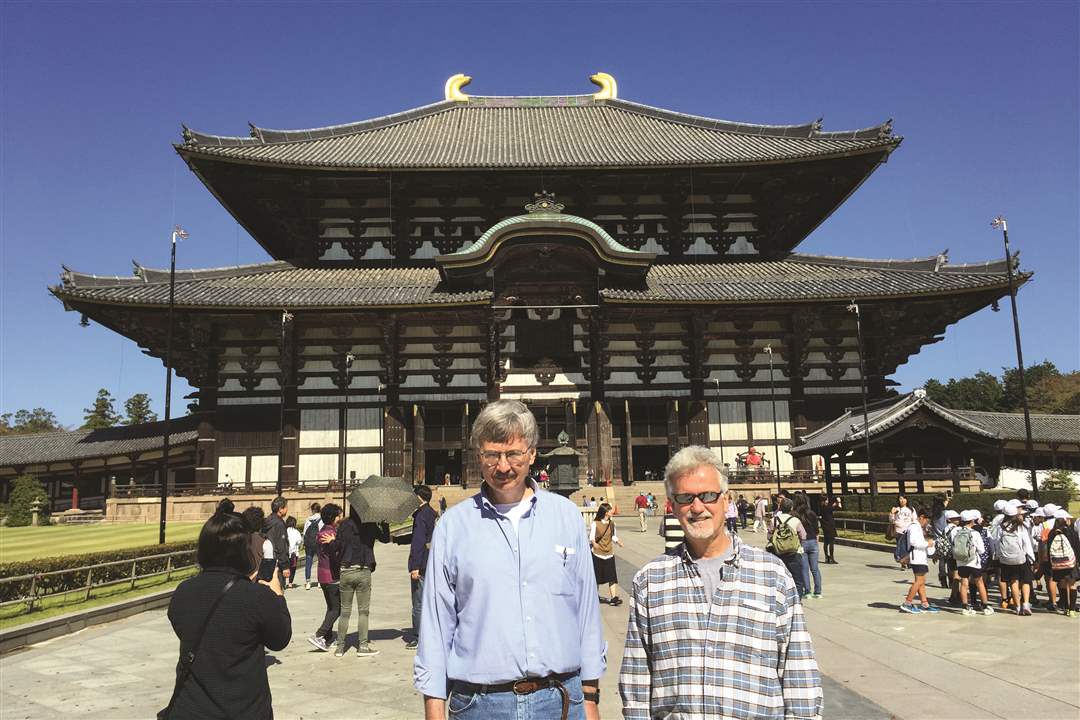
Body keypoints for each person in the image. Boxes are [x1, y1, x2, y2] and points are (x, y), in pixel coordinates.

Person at [414, 399, 605, 720]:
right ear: (478, 456)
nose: (503, 467)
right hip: (480, 704)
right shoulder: (453, 525)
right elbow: (435, 624)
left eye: (513, 453)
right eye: (492, 455)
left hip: (559, 699)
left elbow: (586, 612)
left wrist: (590, 697)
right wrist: (434, 709)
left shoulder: (567, 517)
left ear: (531, 453)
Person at [619, 445, 822, 719]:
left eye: (708, 496)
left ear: (726, 501)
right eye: (685, 498)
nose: (697, 507)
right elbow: (636, 680)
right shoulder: (650, 580)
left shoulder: (771, 575)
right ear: (673, 505)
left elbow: (799, 673)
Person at [164, 506, 291, 719]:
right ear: (245, 551)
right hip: (242, 709)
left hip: (190, 707)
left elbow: (183, 627)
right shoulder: (257, 596)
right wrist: (277, 595)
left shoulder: (183, 591)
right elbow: (280, 639)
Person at [322, 505, 391, 657]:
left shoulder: (344, 525)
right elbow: (386, 539)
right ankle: (363, 647)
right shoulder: (371, 525)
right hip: (363, 570)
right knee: (363, 612)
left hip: (346, 571)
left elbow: (337, 546)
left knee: (345, 611)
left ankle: (340, 648)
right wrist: (384, 523)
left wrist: (332, 541)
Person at [308, 503, 343, 651]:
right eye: (339, 515)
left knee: (331, 607)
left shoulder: (324, 530)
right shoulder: (330, 534)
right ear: (333, 517)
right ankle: (319, 635)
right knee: (336, 609)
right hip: (331, 575)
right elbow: (335, 554)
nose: (340, 518)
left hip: (323, 574)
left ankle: (327, 638)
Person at [407, 484, 437, 650]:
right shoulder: (431, 513)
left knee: (418, 602)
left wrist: (415, 566)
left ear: (419, 497)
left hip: (421, 563)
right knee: (429, 600)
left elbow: (418, 542)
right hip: (431, 560)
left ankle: (418, 636)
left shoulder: (420, 516)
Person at [899, 506, 940, 614]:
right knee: (919, 581)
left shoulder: (917, 527)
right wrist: (928, 543)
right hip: (917, 557)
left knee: (921, 581)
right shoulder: (914, 527)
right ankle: (907, 603)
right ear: (922, 517)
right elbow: (914, 542)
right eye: (927, 520)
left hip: (920, 557)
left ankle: (924, 603)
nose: (927, 522)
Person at [997, 504, 1035, 615]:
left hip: (1006, 559)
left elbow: (997, 543)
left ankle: (1018, 606)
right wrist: (1032, 558)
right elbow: (1026, 543)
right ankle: (1026, 604)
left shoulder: (1001, 527)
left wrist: (999, 556)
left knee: (1013, 581)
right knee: (1025, 581)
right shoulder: (1021, 526)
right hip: (1021, 558)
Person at [954, 510, 990, 616]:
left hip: (960, 562)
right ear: (971, 521)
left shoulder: (956, 532)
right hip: (973, 561)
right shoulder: (975, 533)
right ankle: (985, 607)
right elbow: (982, 550)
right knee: (979, 582)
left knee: (964, 583)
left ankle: (965, 607)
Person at [770, 497, 807, 598]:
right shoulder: (795, 520)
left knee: (780, 578)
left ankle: (781, 598)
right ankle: (797, 600)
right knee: (797, 579)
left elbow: (769, 536)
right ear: (791, 508)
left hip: (778, 554)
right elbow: (803, 536)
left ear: (780, 508)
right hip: (793, 553)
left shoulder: (774, 520)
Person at [590, 503, 626, 606]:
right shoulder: (595, 523)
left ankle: (614, 598)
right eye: (610, 510)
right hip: (597, 554)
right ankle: (594, 596)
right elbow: (592, 537)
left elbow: (613, 536)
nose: (612, 511)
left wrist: (618, 542)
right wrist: (594, 543)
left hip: (609, 553)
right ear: (606, 512)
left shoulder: (612, 523)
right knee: (596, 577)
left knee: (612, 577)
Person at [1047, 509, 1078, 616]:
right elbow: (1076, 546)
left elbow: (1049, 549)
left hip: (1057, 562)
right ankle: (1072, 609)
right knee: (1072, 584)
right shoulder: (1070, 531)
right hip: (1070, 562)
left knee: (1062, 583)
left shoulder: (1052, 532)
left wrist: (1051, 563)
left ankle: (1065, 607)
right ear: (1065, 520)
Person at [793, 493, 822, 599]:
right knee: (815, 568)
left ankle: (808, 591)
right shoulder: (812, 513)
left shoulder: (795, 515)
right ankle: (818, 591)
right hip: (813, 541)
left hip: (802, 542)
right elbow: (817, 529)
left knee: (804, 568)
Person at [265, 496, 291, 586]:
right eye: (286, 507)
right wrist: (285, 566)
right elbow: (281, 546)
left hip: (267, 561)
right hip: (277, 564)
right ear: (280, 509)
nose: (287, 509)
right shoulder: (279, 524)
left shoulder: (268, 520)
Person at [889, 494, 916, 570]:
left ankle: (905, 561)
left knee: (908, 547)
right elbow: (891, 520)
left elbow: (914, 519)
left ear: (907, 499)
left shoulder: (911, 509)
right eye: (900, 499)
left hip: (909, 530)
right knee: (901, 546)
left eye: (904, 498)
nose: (902, 500)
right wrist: (892, 513)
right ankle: (903, 562)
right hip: (899, 531)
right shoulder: (896, 509)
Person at [302, 502, 322, 590]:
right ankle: (319, 582)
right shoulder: (322, 519)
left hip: (309, 544)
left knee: (308, 562)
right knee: (320, 562)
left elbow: (304, 533)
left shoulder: (308, 519)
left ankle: (308, 582)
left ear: (313, 510)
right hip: (318, 543)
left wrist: (304, 543)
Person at [819, 496, 838, 564]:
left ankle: (826, 557)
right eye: (827, 500)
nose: (828, 501)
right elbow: (834, 507)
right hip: (830, 526)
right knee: (831, 543)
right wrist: (838, 502)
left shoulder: (821, 507)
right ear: (825, 501)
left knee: (826, 542)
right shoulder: (827, 508)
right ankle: (831, 558)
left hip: (825, 527)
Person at [285, 516, 302, 589]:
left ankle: (283, 582)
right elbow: (299, 541)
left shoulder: (284, 531)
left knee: (284, 567)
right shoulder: (296, 532)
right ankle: (290, 583)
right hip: (294, 553)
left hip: (285, 553)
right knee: (292, 568)